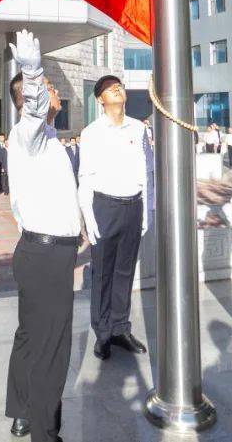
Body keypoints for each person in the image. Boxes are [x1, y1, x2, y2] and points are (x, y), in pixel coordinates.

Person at [3, 30, 82, 442]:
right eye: (49, 89)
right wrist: (32, 71)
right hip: (46, 256)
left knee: (30, 336)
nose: (54, 93)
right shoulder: (27, 133)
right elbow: (32, 109)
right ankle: (45, 435)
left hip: (42, 253)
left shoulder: (50, 138)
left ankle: (21, 411)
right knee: (52, 349)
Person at [78, 74, 150, 361]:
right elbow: (85, 177)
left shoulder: (138, 128)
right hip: (105, 207)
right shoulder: (92, 132)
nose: (116, 89)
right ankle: (103, 333)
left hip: (133, 206)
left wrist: (147, 208)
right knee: (103, 273)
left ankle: (121, 328)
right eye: (109, 88)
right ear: (100, 100)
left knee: (125, 271)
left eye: (118, 86)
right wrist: (88, 216)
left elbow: (148, 172)